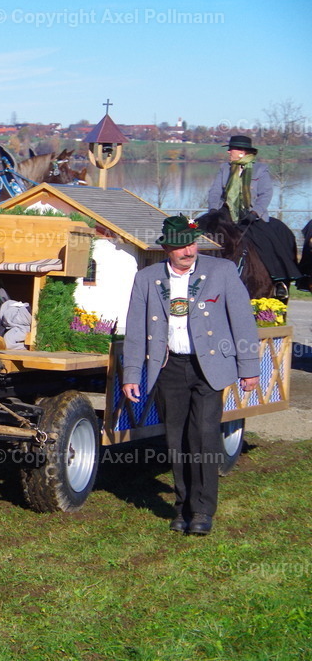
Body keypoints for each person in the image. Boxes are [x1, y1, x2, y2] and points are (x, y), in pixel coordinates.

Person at [122, 214, 259, 537]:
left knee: (204, 436)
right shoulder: (147, 278)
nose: (189, 251)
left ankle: (202, 509)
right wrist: (131, 373)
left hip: (210, 367)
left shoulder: (221, 272)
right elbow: (135, 329)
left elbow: (243, 321)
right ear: (167, 248)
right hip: (169, 367)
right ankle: (182, 505)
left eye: (192, 244)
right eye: (181, 246)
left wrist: (249, 367)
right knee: (175, 440)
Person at [207, 134, 301, 291]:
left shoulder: (260, 170)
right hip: (225, 215)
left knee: (268, 240)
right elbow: (215, 192)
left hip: (251, 216)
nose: (229, 152)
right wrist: (213, 211)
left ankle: (278, 280)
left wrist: (256, 212)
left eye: (232, 149)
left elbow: (266, 194)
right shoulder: (224, 169)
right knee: (200, 231)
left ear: (242, 152)